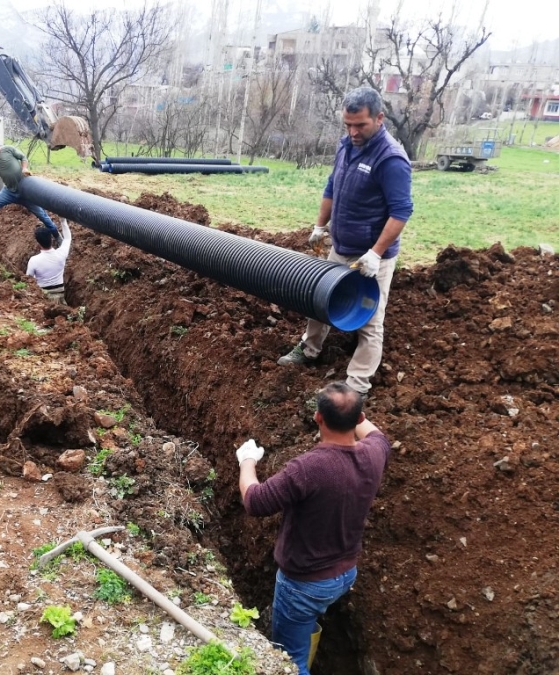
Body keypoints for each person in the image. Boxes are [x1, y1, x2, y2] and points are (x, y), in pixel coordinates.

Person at [236, 382, 390, 675]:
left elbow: (255, 501)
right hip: (345, 575)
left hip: (303, 584)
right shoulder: (375, 453)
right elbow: (376, 434)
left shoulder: (309, 468)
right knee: (306, 624)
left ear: (317, 417)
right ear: (359, 419)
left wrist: (247, 462)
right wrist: (352, 406)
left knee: (289, 661)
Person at [277, 86, 413, 399]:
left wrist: (376, 254)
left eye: (360, 125)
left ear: (379, 118)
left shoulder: (391, 159)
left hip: (371, 257)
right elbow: (331, 188)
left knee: (369, 320)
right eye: (348, 124)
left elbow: (401, 211)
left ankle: (357, 385)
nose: (352, 131)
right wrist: (319, 226)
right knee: (319, 299)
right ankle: (309, 349)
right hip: (341, 247)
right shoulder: (346, 145)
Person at [26, 218, 72, 304]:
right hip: (60, 296)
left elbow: (28, 281)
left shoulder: (34, 261)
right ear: (51, 239)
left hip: (42, 298)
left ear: (38, 243)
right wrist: (63, 221)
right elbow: (67, 239)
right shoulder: (61, 254)